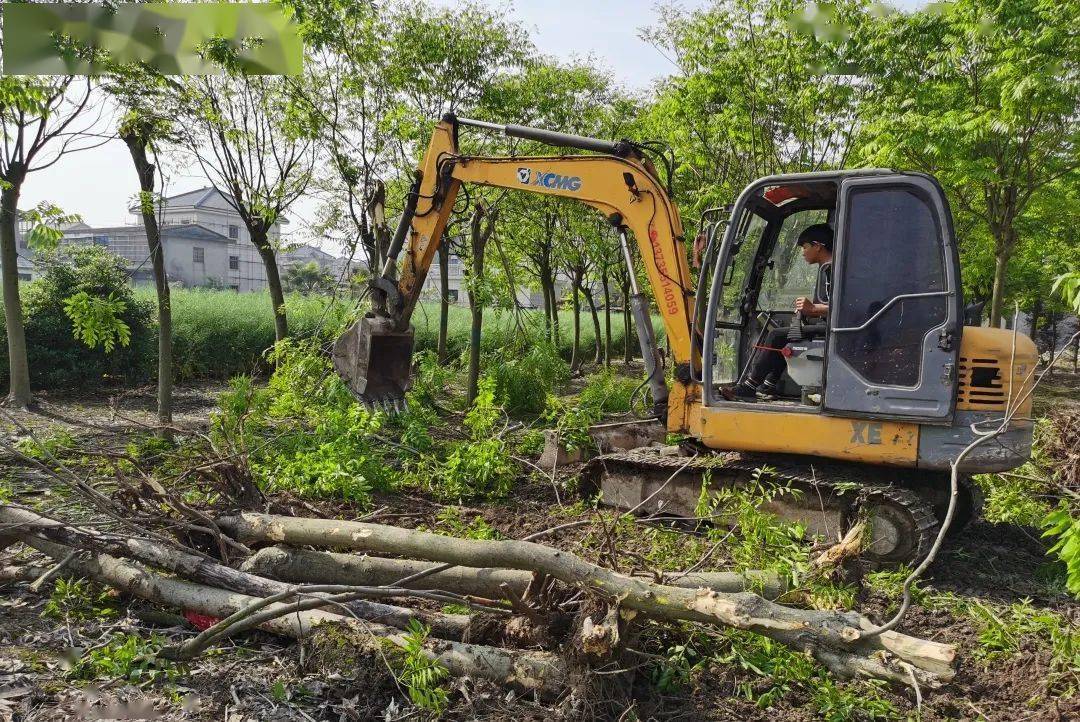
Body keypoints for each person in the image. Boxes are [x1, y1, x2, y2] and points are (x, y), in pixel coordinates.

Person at [722, 223, 833, 401]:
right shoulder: (828, 269)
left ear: (818, 246)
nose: (803, 252)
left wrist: (812, 309)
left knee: (776, 336)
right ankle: (768, 386)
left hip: (834, 330)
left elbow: (843, 309)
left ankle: (749, 386)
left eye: (805, 247)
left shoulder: (833, 269)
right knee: (787, 335)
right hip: (827, 326)